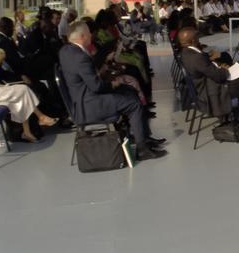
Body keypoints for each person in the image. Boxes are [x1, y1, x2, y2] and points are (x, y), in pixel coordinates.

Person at [59, 22, 166, 161]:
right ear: (82, 36)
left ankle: (143, 137)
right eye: (89, 33)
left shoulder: (65, 51)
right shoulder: (80, 57)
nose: (91, 35)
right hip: (91, 105)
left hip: (82, 101)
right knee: (133, 104)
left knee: (130, 90)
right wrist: (113, 84)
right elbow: (96, 86)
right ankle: (142, 149)